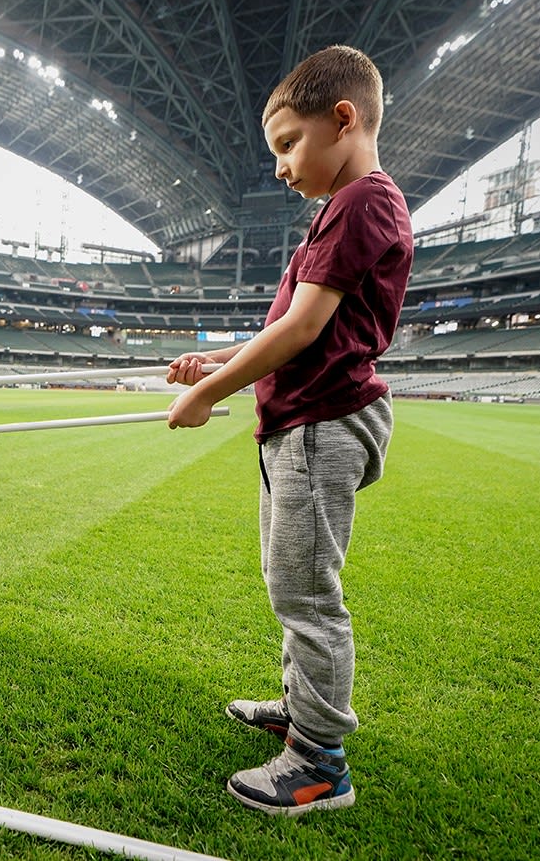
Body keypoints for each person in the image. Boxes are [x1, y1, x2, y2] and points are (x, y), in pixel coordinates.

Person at [166, 46, 412, 815]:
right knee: (290, 581)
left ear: (343, 119)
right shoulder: (339, 208)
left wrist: (210, 389)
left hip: (322, 420)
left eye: (287, 144)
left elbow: (305, 328)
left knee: (308, 593)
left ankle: (319, 762)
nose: (279, 166)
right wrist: (221, 357)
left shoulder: (363, 201)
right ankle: (301, 710)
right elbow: (288, 323)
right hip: (301, 421)